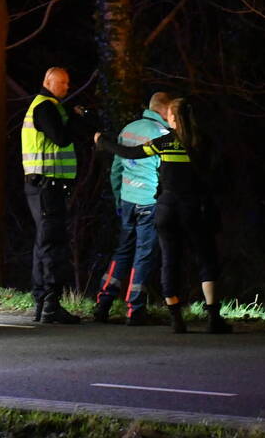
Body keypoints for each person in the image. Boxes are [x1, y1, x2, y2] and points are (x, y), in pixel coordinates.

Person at [94, 97, 232, 334]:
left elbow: (130, 152)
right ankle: (213, 316)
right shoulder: (203, 142)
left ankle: (176, 318)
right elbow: (216, 175)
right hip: (193, 207)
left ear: (173, 119)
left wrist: (103, 142)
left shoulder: (165, 141)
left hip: (166, 208)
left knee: (169, 260)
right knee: (205, 258)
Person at [92, 92, 172, 326]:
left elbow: (116, 168)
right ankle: (134, 308)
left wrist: (119, 198)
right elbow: (165, 174)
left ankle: (103, 302)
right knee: (144, 253)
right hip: (149, 201)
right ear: (165, 111)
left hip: (127, 199)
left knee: (122, 251)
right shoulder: (163, 136)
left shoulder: (128, 129)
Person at [22, 67, 92, 324]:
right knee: (52, 243)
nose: (67, 87)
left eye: (68, 83)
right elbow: (61, 138)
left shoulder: (45, 106)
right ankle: (50, 302)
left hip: (43, 185)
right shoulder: (46, 107)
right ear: (48, 82)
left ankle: (43, 302)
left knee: (45, 242)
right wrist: (74, 117)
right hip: (46, 186)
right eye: (63, 83)